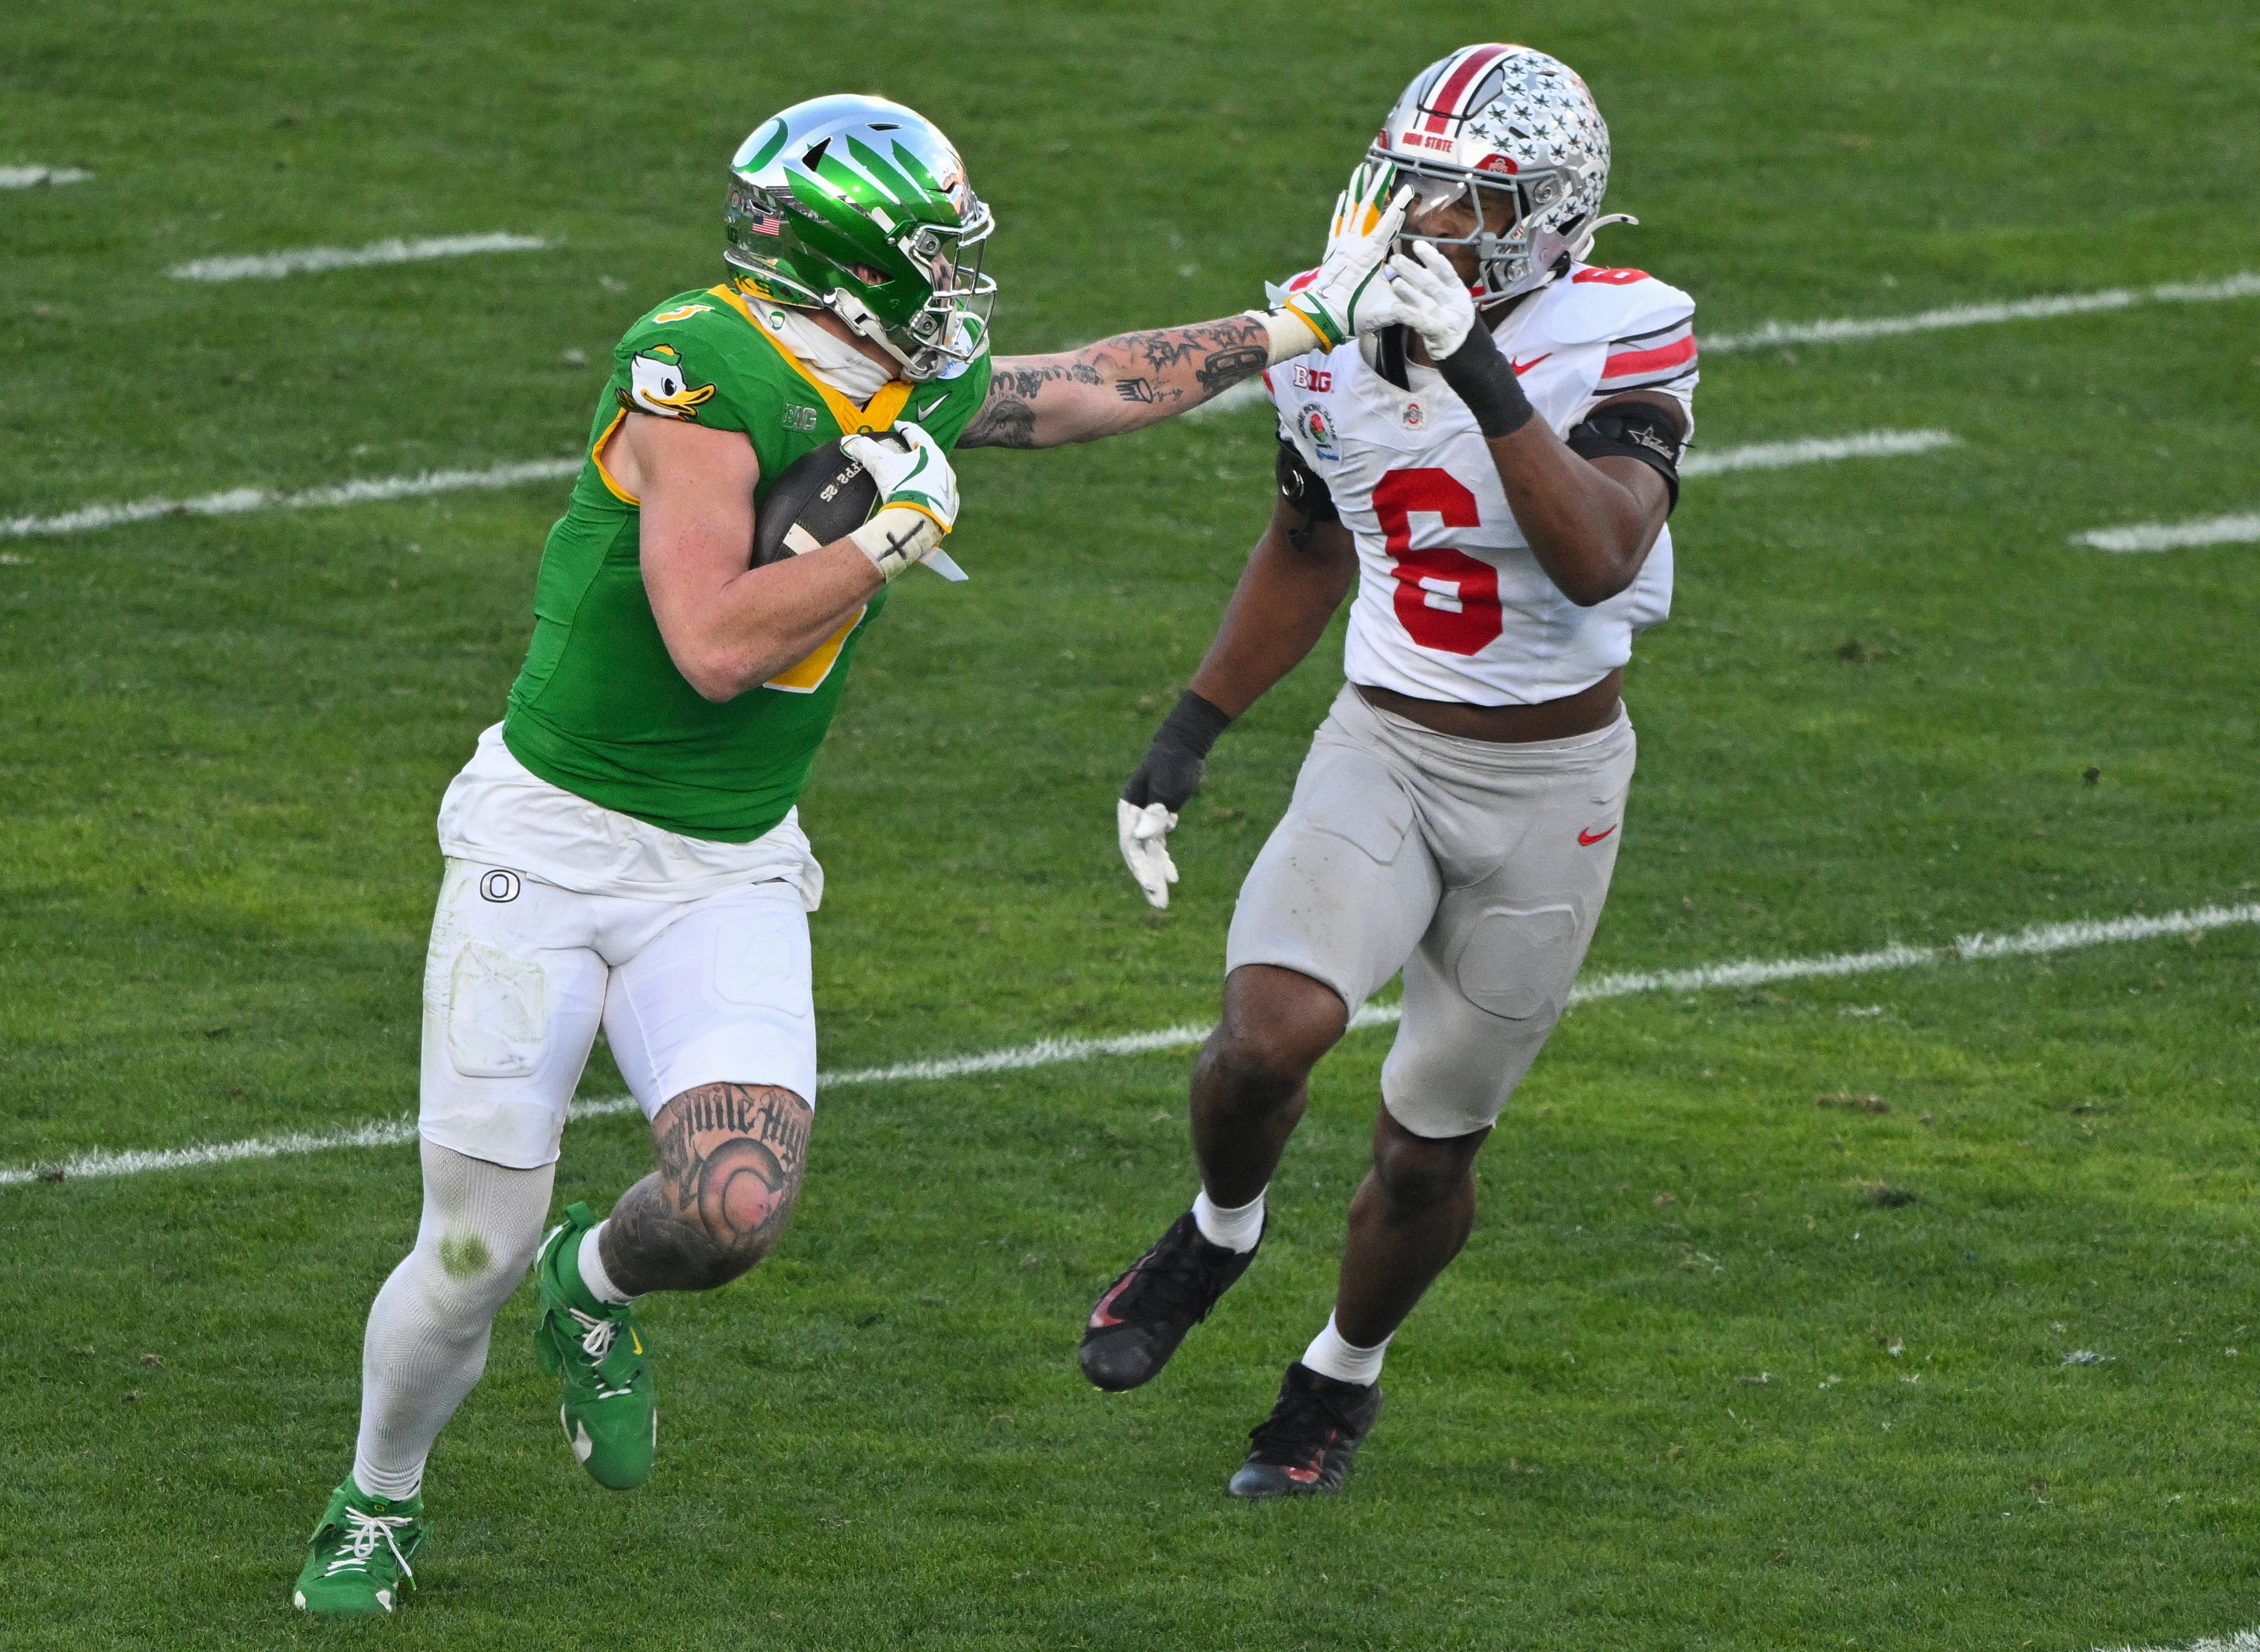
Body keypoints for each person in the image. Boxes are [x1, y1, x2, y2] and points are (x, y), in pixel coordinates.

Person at [291, 92, 1407, 1614]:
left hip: (731, 861)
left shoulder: (909, 370)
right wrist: (886, 536)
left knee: (731, 1209)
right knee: (466, 1254)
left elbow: (1081, 391)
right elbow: (707, 648)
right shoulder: (697, 368)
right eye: (929, 248)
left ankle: (596, 1286)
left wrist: (1303, 317)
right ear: (838, 257)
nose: (954, 278)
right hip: (547, 853)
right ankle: (380, 1493)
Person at [1082, 44, 1699, 1498]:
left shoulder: (1627, 325)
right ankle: (1218, 1230)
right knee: (1257, 1044)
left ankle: (1337, 1376)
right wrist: (1188, 731)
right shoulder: (1332, 330)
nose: (1418, 225)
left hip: (1552, 789)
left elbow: (1600, 553)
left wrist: (1475, 370)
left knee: (1425, 1151)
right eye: (1409, 185)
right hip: (1384, 742)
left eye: (1464, 203)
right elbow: (1310, 540)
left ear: (1548, 219)